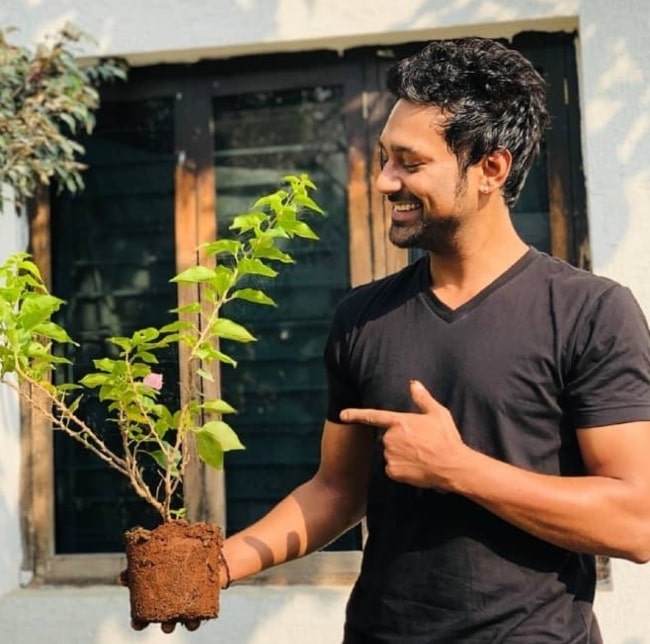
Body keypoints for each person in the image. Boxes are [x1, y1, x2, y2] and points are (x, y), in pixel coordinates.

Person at [220, 37, 650, 642]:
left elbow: (636, 523)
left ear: (490, 169)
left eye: (410, 163)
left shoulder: (589, 312)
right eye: (382, 159)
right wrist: (220, 566)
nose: (383, 182)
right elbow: (337, 489)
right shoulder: (362, 317)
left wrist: (458, 469)